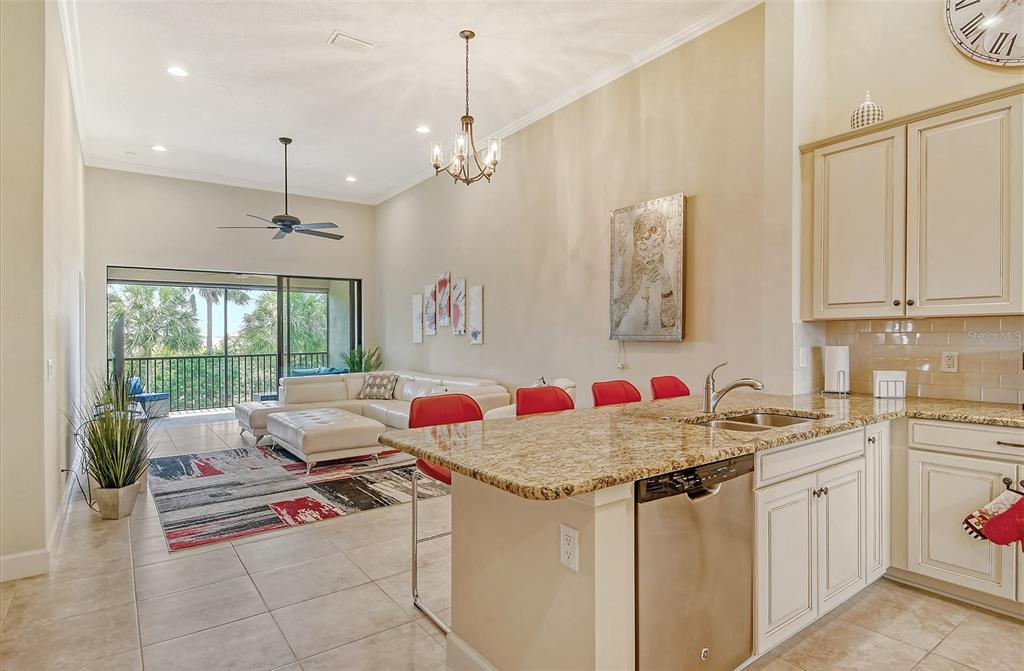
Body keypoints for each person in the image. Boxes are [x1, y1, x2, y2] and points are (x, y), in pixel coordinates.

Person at [611, 208, 676, 334]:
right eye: (644, 247)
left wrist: (666, 282)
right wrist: (635, 287)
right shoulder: (629, 273)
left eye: (656, 245)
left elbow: (670, 329)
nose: (650, 254)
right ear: (636, 248)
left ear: (663, 244)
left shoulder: (666, 275)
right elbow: (615, 323)